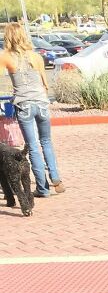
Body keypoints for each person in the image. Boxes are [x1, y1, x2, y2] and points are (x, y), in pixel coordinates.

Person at [0, 22, 65, 198]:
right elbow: (45, 84)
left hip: (24, 104)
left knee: (33, 146)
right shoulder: (36, 56)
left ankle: (42, 188)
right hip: (42, 103)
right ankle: (56, 177)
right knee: (46, 141)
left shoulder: (6, 57)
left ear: (8, 37)